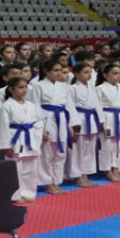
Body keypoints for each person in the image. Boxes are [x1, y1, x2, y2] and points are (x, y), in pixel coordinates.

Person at [27, 58, 78, 194]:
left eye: (60, 71)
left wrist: (71, 125)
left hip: (62, 118)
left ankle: (56, 181)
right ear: (46, 71)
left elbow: (70, 107)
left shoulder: (64, 86)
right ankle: (48, 183)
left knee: (61, 153)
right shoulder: (38, 86)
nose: (58, 73)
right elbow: (35, 108)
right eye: (55, 70)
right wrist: (41, 128)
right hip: (47, 119)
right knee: (47, 154)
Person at [0, 77, 45, 203]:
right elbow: (2, 126)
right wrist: (6, 145)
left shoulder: (32, 105)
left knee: (31, 169)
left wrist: (37, 136)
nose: (24, 90)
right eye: (20, 87)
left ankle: (28, 193)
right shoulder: (6, 106)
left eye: (25, 87)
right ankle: (15, 195)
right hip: (15, 139)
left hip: (30, 138)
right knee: (16, 169)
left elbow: (39, 121)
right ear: (12, 90)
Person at [69, 62, 103, 188]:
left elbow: (97, 106)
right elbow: (70, 108)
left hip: (92, 120)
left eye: (90, 72)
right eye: (85, 72)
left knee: (89, 150)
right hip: (80, 120)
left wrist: (101, 121)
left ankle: (86, 175)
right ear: (76, 74)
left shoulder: (92, 88)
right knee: (79, 151)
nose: (88, 75)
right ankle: (78, 177)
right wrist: (73, 125)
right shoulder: (72, 89)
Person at [96, 64, 120, 182]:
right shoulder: (100, 88)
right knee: (107, 146)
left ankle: (116, 167)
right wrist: (100, 122)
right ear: (105, 75)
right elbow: (97, 107)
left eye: (119, 74)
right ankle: (108, 170)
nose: (118, 76)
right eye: (114, 73)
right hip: (107, 117)